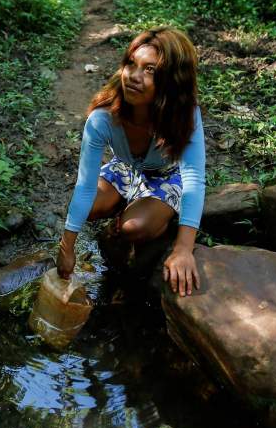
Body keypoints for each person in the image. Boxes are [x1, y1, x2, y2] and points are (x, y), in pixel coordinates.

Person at [56, 26, 206, 297]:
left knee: (133, 228)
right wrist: (67, 247)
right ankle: (130, 205)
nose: (134, 77)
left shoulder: (185, 114)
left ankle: (157, 218)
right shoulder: (102, 119)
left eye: (150, 70)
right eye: (131, 64)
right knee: (86, 208)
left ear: (172, 80)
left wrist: (183, 249)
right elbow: (85, 185)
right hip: (125, 168)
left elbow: (194, 178)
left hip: (167, 175)